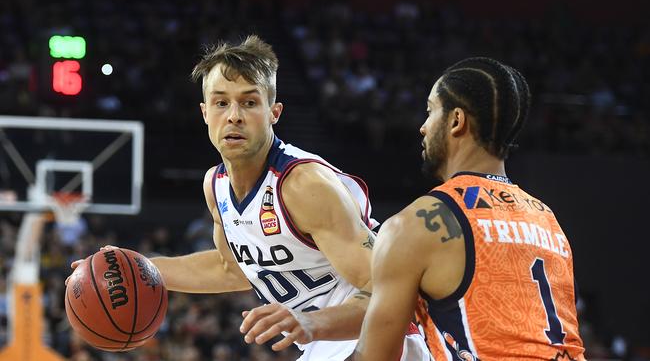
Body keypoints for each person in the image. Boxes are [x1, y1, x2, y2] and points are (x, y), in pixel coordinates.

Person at [67, 35, 428, 361]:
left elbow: (392, 293)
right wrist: (134, 270)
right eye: (221, 103)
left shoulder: (303, 185)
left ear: (274, 113)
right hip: (326, 344)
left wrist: (309, 321)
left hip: (383, 343)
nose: (234, 116)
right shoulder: (216, 185)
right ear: (204, 113)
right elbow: (233, 268)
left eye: (249, 102)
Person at [350, 57, 585, 360]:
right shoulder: (546, 219)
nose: (422, 127)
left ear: (456, 120)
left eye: (430, 111)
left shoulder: (414, 225)